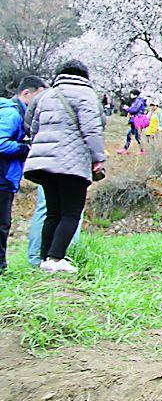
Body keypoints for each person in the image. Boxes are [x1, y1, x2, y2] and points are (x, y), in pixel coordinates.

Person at [24, 60, 106, 274]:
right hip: (72, 163)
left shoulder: (46, 95)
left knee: (53, 213)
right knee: (71, 213)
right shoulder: (86, 95)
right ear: (84, 76)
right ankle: (56, 257)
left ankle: (44, 259)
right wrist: (98, 157)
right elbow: (92, 129)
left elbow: (32, 127)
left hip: (44, 163)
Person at [0, 76, 47, 274]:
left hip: (6, 177)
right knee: (2, 224)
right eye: (38, 96)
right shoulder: (12, 114)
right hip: (2, 177)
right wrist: (26, 148)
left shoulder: (15, 112)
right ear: (26, 93)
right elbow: (1, 143)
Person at [116, 89, 147, 155]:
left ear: (135, 95)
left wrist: (127, 108)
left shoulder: (138, 101)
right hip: (134, 121)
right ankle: (125, 149)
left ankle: (142, 150)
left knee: (137, 136)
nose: (130, 95)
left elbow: (134, 110)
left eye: (131, 94)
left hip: (137, 121)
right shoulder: (136, 101)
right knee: (129, 135)